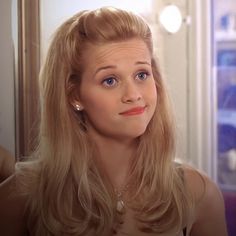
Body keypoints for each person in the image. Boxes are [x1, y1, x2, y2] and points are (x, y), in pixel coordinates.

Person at [0, 7, 228, 236]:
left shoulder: (199, 194)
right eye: (110, 80)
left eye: (141, 75)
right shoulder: (21, 197)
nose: (134, 94)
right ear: (74, 95)